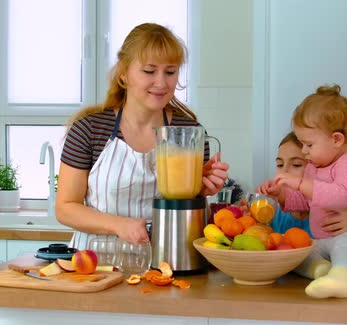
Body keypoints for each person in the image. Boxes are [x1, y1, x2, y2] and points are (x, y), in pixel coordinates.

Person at [56, 23, 229, 249]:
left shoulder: (188, 132)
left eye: (170, 72)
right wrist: (118, 225)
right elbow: (65, 208)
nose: (161, 82)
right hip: (97, 265)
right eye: (149, 71)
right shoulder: (90, 129)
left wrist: (200, 190)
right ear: (124, 73)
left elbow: (189, 215)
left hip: (169, 262)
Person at [259, 84, 347, 299]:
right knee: (301, 251)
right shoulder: (314, 167)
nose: (305, 150)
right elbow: (303, 202)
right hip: (326, 242)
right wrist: (280, 194)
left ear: (336, 139)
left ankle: (342, 279)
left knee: (346, 245)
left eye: (309, 144)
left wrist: (299, 183)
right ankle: (322, 271)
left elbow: (340, 196)